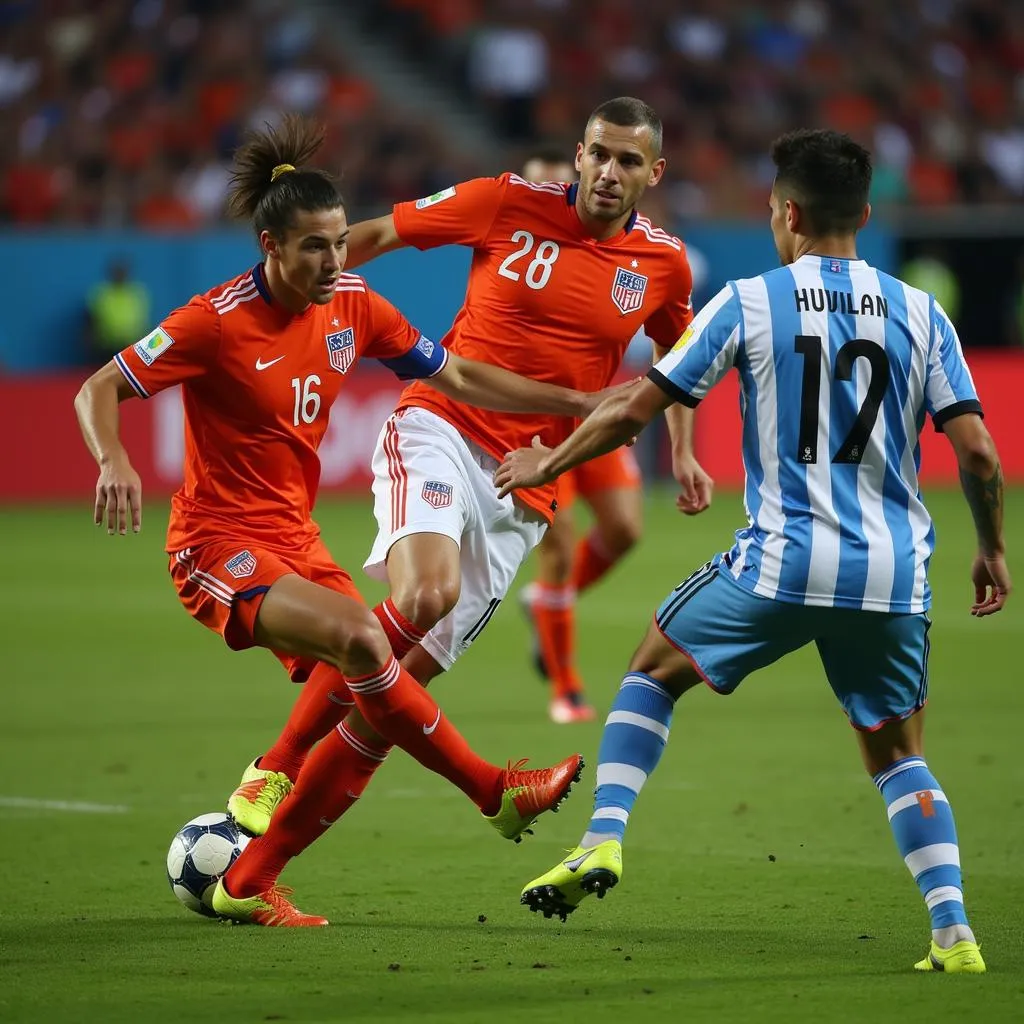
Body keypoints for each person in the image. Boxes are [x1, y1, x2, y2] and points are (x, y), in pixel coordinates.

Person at [497, 128, 1010, 974]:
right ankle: (953, 932)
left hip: (783, 558)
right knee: (898, 754)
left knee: (652, 671)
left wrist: (547, 460)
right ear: (868, 213)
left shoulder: (749, 299)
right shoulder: (923, 312)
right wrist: (990, 547)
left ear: (789, 214)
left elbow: (635, 407)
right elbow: (982, 454)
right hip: (890, 573)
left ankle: (602, 839)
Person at [74, 116, 596, 927]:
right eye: (313, 247)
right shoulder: (213, 320)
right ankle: (488, 791)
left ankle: (248, 877)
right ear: (270, 245)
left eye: (339, 243)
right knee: (365, 639)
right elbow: (98, 386)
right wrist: (113, 459)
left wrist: (572, 403)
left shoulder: (353, 302)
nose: (333, 262)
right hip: (215, 542)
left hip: (296, 539)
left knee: (372, 675)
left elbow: (455, 372)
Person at [218, 97, 713, 913]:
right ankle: (273, 765)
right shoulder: (504, 201)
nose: (610, 173)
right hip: (442, 426)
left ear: (653, 174)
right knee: (424, 594)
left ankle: (252, 877)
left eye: (630, 161)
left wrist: (685, 450)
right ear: (579, 154)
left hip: (530, 484)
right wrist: (306, 303)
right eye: (599, 154)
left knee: (388, 706)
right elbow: (372, 235)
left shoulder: (664, 266)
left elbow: (677, 354)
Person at [516, 147, 647, 723]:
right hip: (533, 424)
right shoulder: (514, 245)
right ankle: (564, 686)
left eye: (557, 183)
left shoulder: (597, 244)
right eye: (537, 184)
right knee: (560, 547)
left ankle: (543, 604)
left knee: (624, 529)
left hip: (592, 410)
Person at [84, 259, 151, 368]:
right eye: (117, 272)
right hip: (106, 346)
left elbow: (143, 318)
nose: (120, 275)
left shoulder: (137, 292)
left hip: (132, 346)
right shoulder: (101, 293)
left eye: (122, 272)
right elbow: (90, 320)